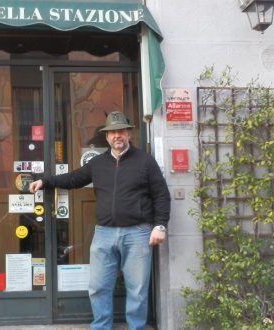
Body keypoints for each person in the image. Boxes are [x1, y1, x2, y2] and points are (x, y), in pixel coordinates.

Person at [29, 111, 171, 330]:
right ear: (106, 137)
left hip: (138, 233)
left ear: (128, 134)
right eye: (113, 132)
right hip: (104, 233)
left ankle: (136, 327)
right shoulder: (98, 163)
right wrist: (46, 181)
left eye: (121, 131)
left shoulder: (145, 161)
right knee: (98, 286)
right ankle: (101, 326)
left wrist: (160, 225)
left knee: (138, 289)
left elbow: (161, 194)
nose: (117, 136)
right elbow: (74, 178)